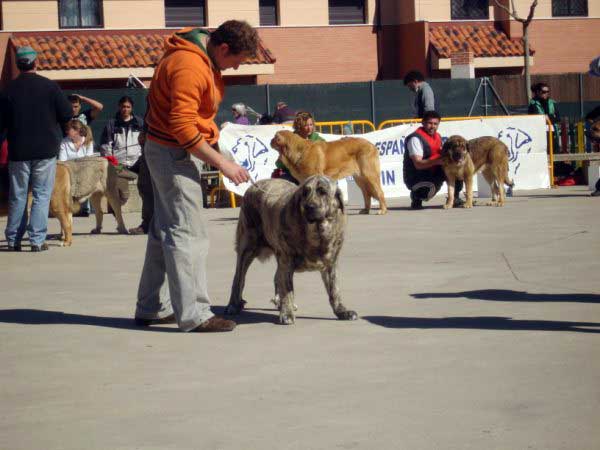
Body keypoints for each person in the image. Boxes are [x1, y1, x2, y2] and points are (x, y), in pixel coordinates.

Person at [134, 20, 256, 333]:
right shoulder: (189, 65)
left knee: (165, 231)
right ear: (223, 47)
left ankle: (150, 307)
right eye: (237, 60)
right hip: (171, 152)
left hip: (165, 149)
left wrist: (217, 151)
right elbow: (183, 127)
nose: (235, 67)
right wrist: (222, 164)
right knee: (188, 233)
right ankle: (195, 314)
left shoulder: (200, 52)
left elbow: (192, 120)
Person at [0, 46, 72, 251]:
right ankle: (37, 240)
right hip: (45, 150)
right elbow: (67, 114)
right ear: (36, 63)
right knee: (41, 194)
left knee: (18, 195)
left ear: (18, 65)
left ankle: (13, 239)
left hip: (18, 151)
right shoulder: (50, 87)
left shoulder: (8, 90)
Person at [403, 110, 463, 210]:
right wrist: (438, 161)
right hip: (416, 177)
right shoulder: (415, 139)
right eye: (430, 123)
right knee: (428, 191)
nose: (433, 126)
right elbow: (418, 164)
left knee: (457, 169)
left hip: (432, 170)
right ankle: (416, 196)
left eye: (435, 124)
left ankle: (455, 198)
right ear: (423, 123)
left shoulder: (438, 136)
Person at [271, 111, 324, 184]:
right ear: (299, 126)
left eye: (311, 125)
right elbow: (279, 164)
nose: (309, 128)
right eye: (306, 125)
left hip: (313, 173)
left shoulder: (317, 139)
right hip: (293, 174)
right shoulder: (290, 140)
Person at [100, 96, 144, 169]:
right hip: (118, 165)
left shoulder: (139, 123)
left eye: (128, 107)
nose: (125, 109)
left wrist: (141, 160)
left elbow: (144, 143)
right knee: (119, 180)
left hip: (137, 164)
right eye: (123, 106)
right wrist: (113, 163)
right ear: (119, 107)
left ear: (132, 108)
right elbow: (105, 146)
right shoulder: (112, 124)